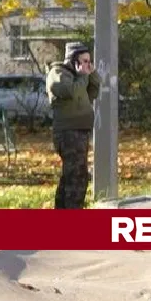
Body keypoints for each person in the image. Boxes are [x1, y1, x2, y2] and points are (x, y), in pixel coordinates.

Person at [46, 41, 100, 209]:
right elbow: (71, 92)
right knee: (77, 178)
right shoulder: (58, 73)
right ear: (73, 60)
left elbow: (91, 94)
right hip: (68, 133)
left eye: (89, 61)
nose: (87, 65)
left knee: (72, 176)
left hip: (81, 131)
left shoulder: (80, 77)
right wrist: (83, 76)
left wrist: (92, 75)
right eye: (84, 61)